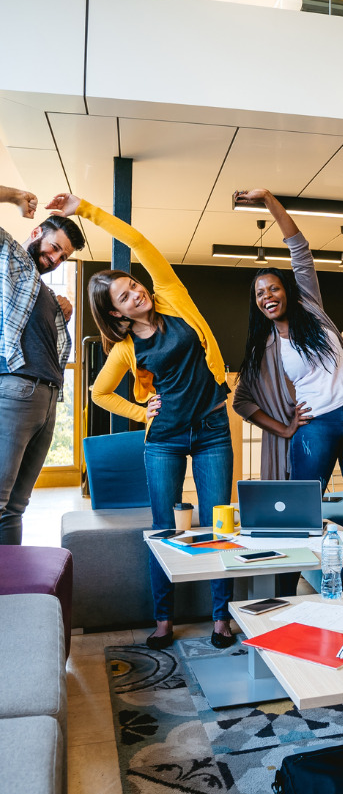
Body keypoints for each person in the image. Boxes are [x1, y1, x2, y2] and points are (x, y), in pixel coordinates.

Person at [46, 191, 234, 652]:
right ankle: (164, 618)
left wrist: (84, 211)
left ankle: (221, 617)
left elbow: (140, 242)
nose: (137, 292)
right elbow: (98, 393)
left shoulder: (173, 299)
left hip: (212, 429)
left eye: (133, 285)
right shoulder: (125, 349)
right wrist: (141, 411)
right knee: (164, 527)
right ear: (116, 312)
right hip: (164, 439)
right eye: (125, 296)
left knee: (218, 525)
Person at [232, 189, 343, 593]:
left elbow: (299, 248)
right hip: (317, 426)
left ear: (287, 290)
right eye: (260, 294)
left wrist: (268, 200)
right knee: (301, 518)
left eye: (273, 288)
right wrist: (282, 428)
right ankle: (285, 595)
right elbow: (241, 400)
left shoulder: (311, 306)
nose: (268, 297)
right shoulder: (266, 346)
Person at [0, 185, 84, 544]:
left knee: (17, 505)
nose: (55, 259)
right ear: (36, 234)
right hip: (16, 388)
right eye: (54, 248)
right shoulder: (13, 259)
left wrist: (62, 312)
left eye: (64, 257)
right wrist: (15, 196)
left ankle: (10, 591)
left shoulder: (45, 291)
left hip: (47, 398)